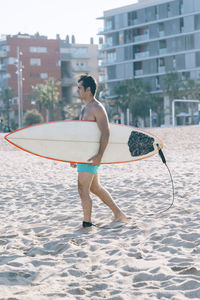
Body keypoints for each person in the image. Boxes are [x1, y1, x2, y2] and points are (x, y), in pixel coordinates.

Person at [71, 75, 127, 229]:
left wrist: (99, 156)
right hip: (86, 155)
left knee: (82, 189)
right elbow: (84, 137)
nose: (77, 90)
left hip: (92, 156)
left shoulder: (97, 108)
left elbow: (106, 132)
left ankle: (87, 224)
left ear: (88, 90)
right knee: (94, 187)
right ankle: (119, 214)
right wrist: (75, 156)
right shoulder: (85, 108)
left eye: (80, 88)